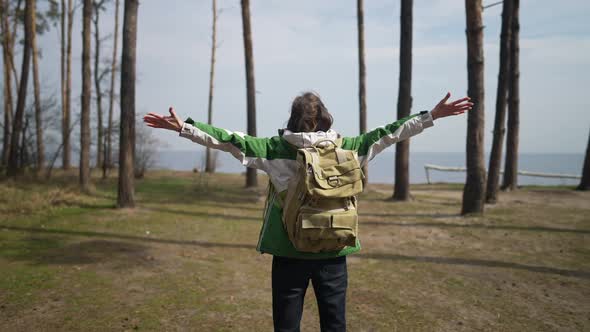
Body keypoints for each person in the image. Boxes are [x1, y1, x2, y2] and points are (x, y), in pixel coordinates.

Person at [143, 91, 472, 332]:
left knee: (287, 327)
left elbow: (228, 139)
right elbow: (387, 134)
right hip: (334, 250)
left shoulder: (274, 150)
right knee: (335, 325)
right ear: (327, 120)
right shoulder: (349, 149)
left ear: (291, 121)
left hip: (289, 253)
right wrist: (431, 116)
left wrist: (184, 127)